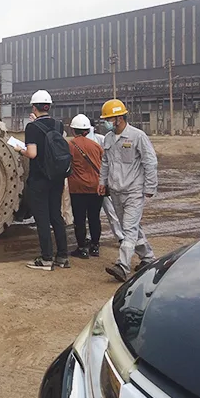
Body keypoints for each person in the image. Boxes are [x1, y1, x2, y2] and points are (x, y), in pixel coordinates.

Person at [98, 99, 157, 282]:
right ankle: (148, 258)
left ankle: (122, 266)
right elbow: (105, 162)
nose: (106, 122)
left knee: (129, 229)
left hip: (133, 191)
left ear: (120, 118)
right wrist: (102, 182)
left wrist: (150, 187)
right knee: (130, 226)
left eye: (109, 119)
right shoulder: (108, 138)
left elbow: (150, 162)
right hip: (115, 191)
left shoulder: (137, 136)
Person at [16, 90, 70, 271]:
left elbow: (32, 153)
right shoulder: (58, 125)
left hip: (39, 179)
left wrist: (19, 149)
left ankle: (46, 258)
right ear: (49, 106)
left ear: (34, 107)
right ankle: (62, 256)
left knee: (42, 218)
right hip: (56, 177)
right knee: (56, 216)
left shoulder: (32, 128)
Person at [67, 114, 104, 259]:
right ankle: (95, 246)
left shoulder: (70, 145)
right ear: (88, 130)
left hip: (78, 188)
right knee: (94, 218)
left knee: (80, 219)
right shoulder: (96, 146)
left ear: (72, 130)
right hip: (96, 187)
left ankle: (82, 248)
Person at [89, 122, 124, 245]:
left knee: (110, 211)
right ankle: (90, 237)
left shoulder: (101, 139)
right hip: (92, 182)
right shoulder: (87, 141)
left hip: (101, 181)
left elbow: (109, 159)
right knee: (92, 213)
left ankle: (120, 236)